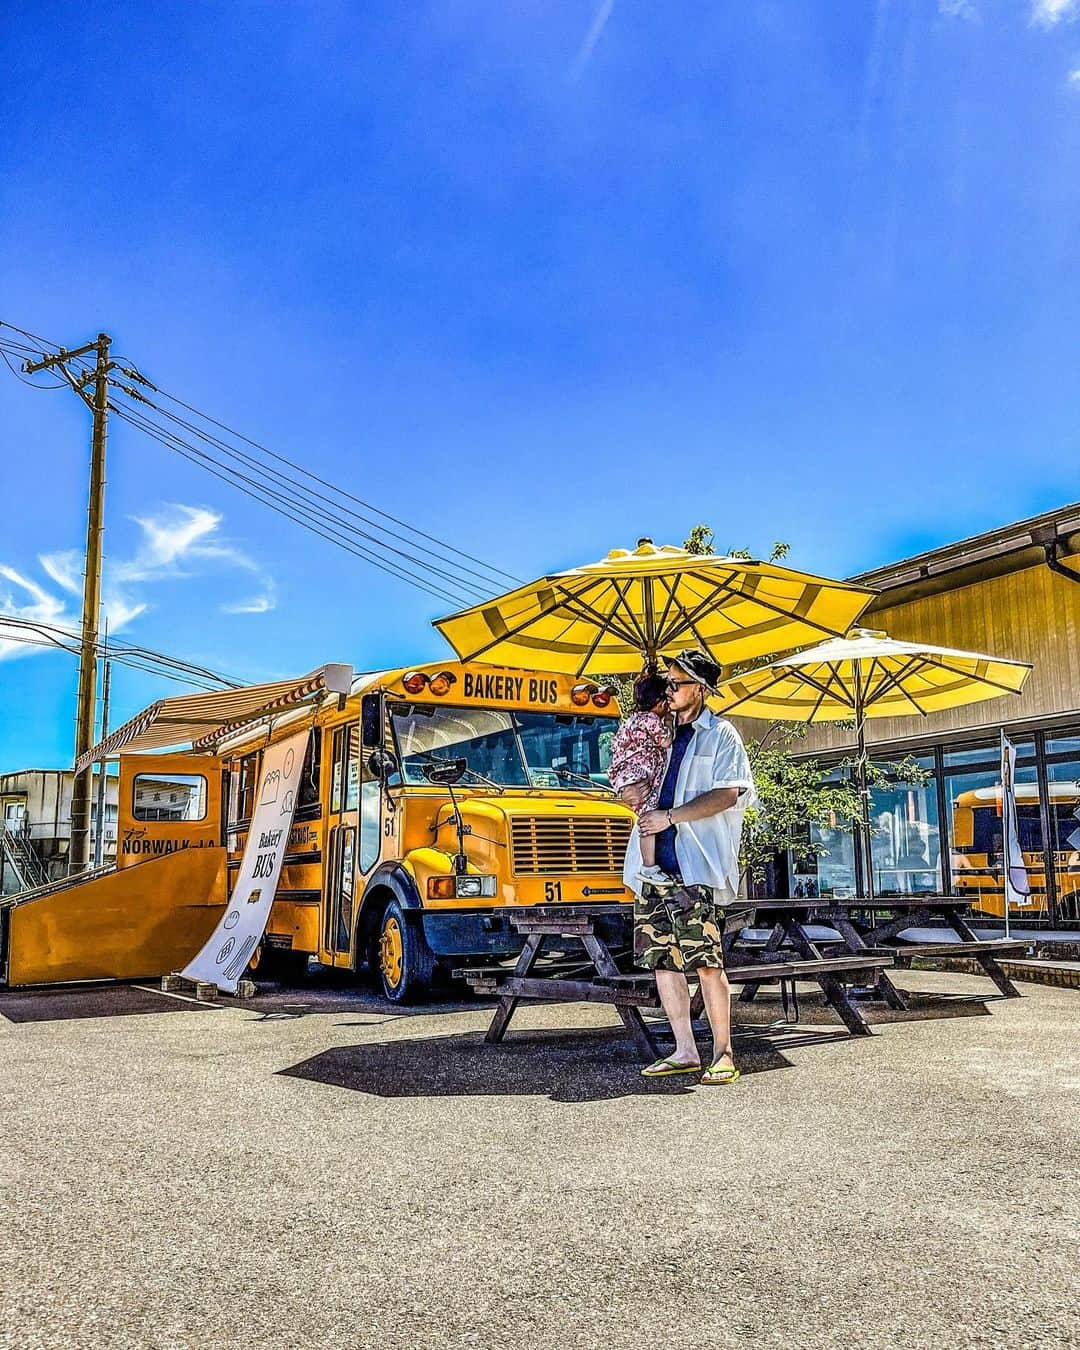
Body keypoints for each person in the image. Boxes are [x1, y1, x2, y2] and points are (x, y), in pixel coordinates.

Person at [620, 648, 756, 1086]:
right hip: (651, 867)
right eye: (668, 683)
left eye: (678, 683)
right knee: (662, 961)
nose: (671, 690)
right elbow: (631, 781)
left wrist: (671, 817)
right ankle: (684, 1050)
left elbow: (730, 794)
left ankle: (724, 1053)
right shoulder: (654, 731)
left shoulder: (722, 735)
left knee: (707, 962)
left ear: (700, 689)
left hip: (694, 866)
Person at [607, 666, 673, 888]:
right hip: (641, 776)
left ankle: (648, 865)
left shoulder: (631, 720)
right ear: (661, 702)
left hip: (627, 775)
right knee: (649, 820)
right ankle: (649, 865)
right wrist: (669, 724)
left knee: (646, 819)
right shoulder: (652, 720)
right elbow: (665, 742)